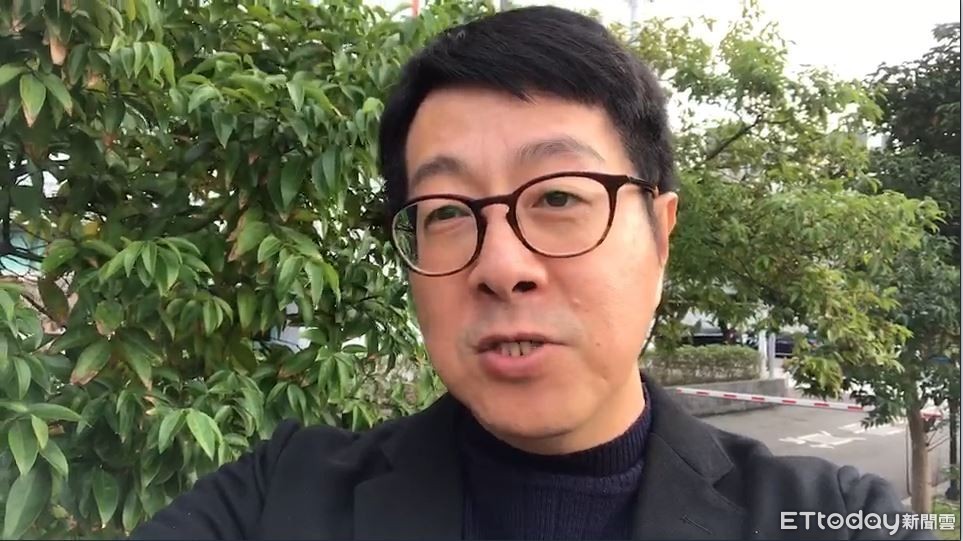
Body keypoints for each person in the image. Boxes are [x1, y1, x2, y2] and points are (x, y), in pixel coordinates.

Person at [132, 6, 929, 540]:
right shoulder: (278, 499)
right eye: (446, 211)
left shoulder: (835, 516)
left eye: (557, 197)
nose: (501, 266)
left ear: (660, 233)